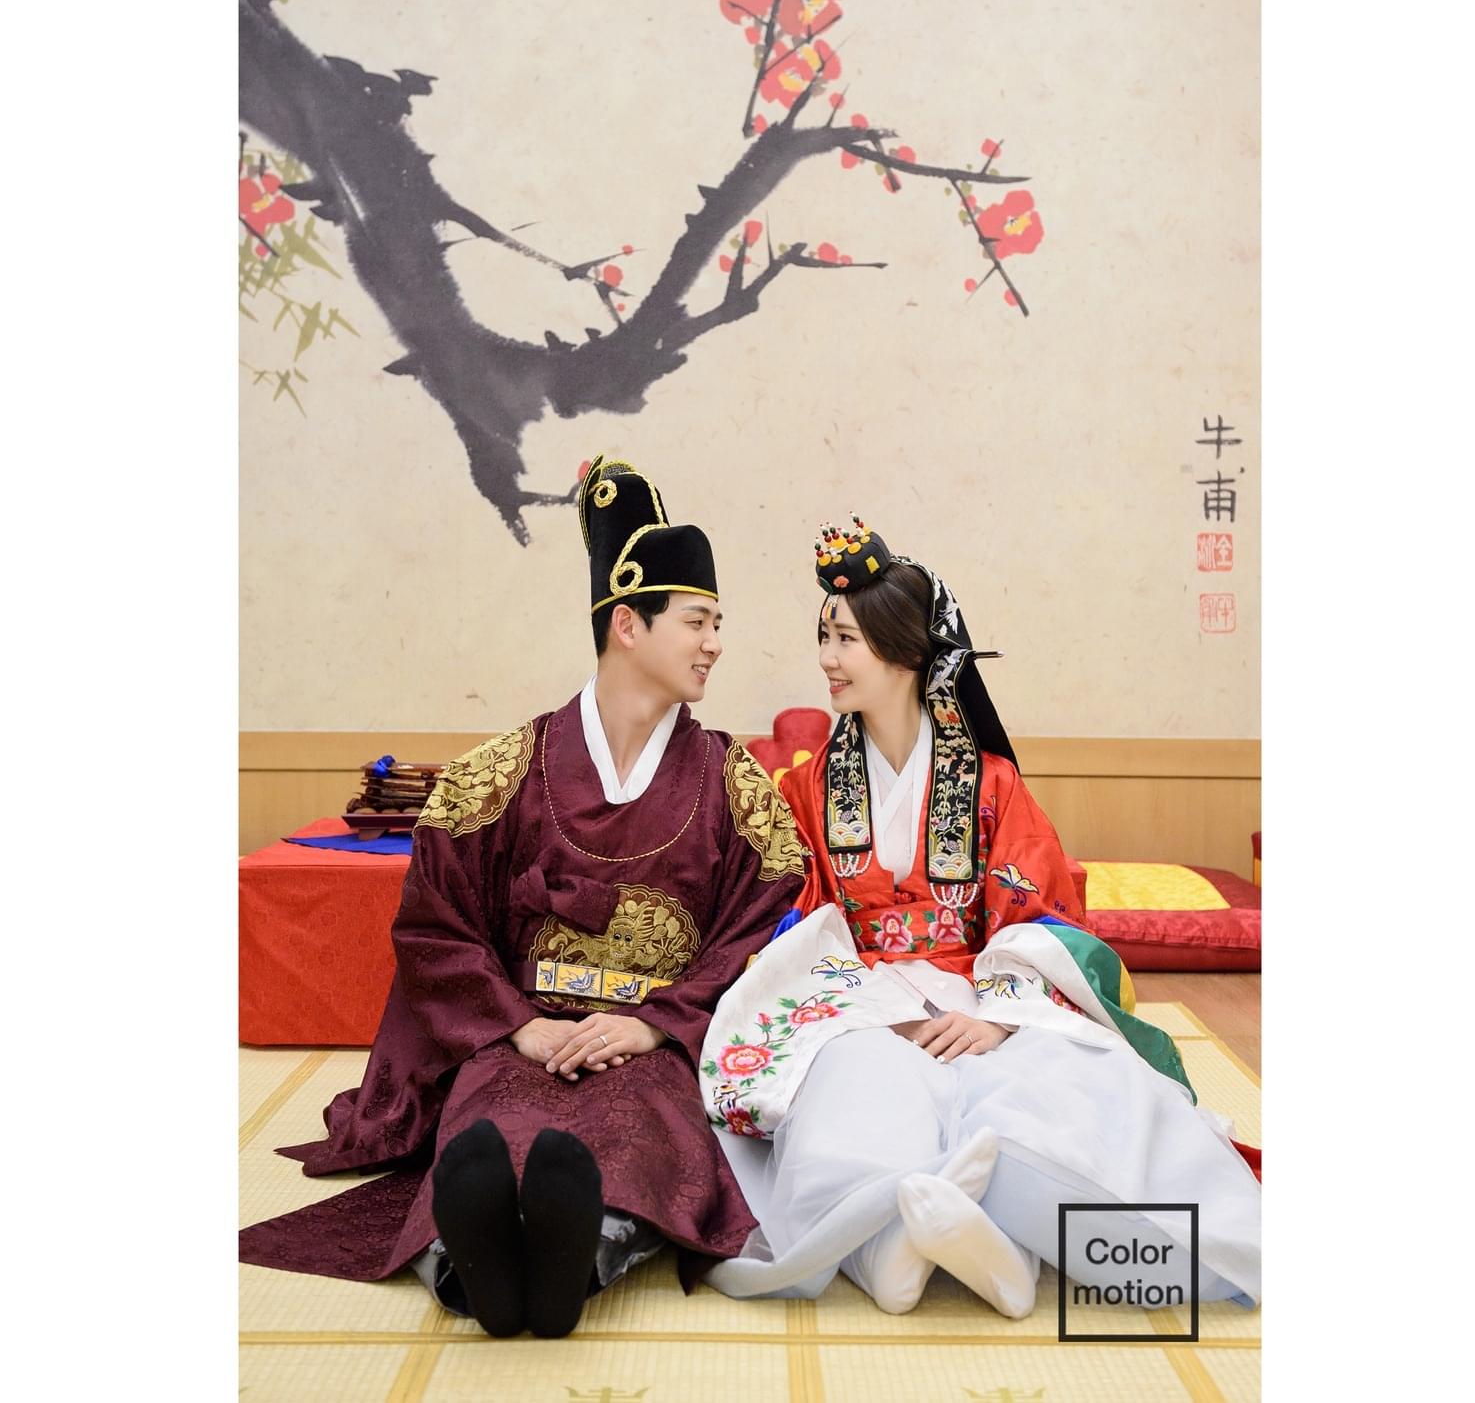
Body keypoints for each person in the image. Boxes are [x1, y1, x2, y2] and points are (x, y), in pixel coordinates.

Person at [239, 455, 806, 1339]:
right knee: (492, 1121)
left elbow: (761, 933)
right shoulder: (498, 774)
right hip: (523, 1031)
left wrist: (658, 1023)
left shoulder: (735, 786)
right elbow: (436, 929)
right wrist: (518, 1027)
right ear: (628, 624)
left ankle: (567, 1265)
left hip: (651, 1044)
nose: (715, 644)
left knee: (638, 1127)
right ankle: (473, 1267)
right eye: (698, 621)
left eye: (717, 624)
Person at [698, 519, 1262, 1317]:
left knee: (1060, 1102)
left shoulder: (992, 784)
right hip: (861, 1004)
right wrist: (864, 1009)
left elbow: (1043, 917)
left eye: (846, 639)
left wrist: (1001, 1017)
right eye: (823, 637)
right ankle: (901, 1254)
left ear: (905, 653)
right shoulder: (806, 789)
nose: (826, 658)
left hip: (981, 995)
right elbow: (791, 920)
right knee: (851, 1106)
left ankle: (997, 1249)